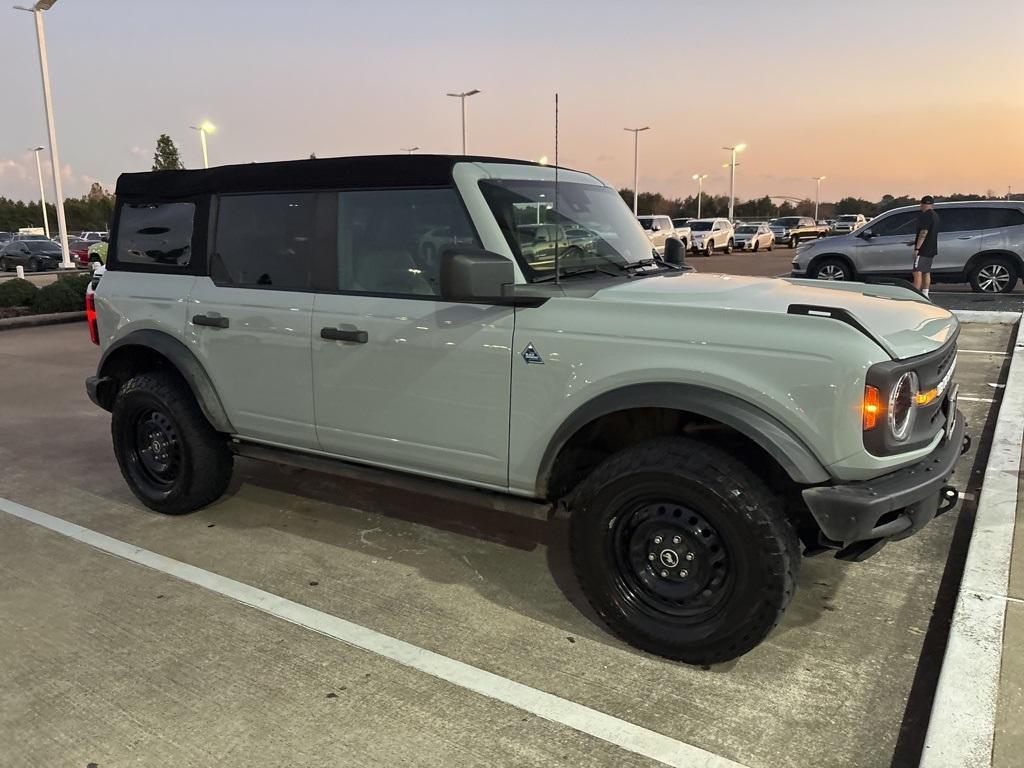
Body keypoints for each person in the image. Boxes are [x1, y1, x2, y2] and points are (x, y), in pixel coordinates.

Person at [912, 195, 940, 298]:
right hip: (931, 248)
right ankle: (925, 294)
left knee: (917, 272)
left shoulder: (926, 216)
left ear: (922, 204)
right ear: (932, 204)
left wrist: (917, 248)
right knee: (926, 272)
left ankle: (916, 295)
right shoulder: (935, 215)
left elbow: (924, 232)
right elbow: (930, 233)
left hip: (923, 249)